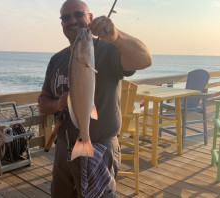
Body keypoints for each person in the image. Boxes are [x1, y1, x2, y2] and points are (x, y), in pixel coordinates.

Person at [38, 0, 152, 197]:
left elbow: (145, 59)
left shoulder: (108, 50)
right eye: (66, 17)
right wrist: (57, 104)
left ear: (90, 18)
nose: (72, 20)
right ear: (62, 23)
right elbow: (42, 102)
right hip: (63, 148)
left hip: (100, 146)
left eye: (78, 14)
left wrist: (116, 36)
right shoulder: (56, 59)